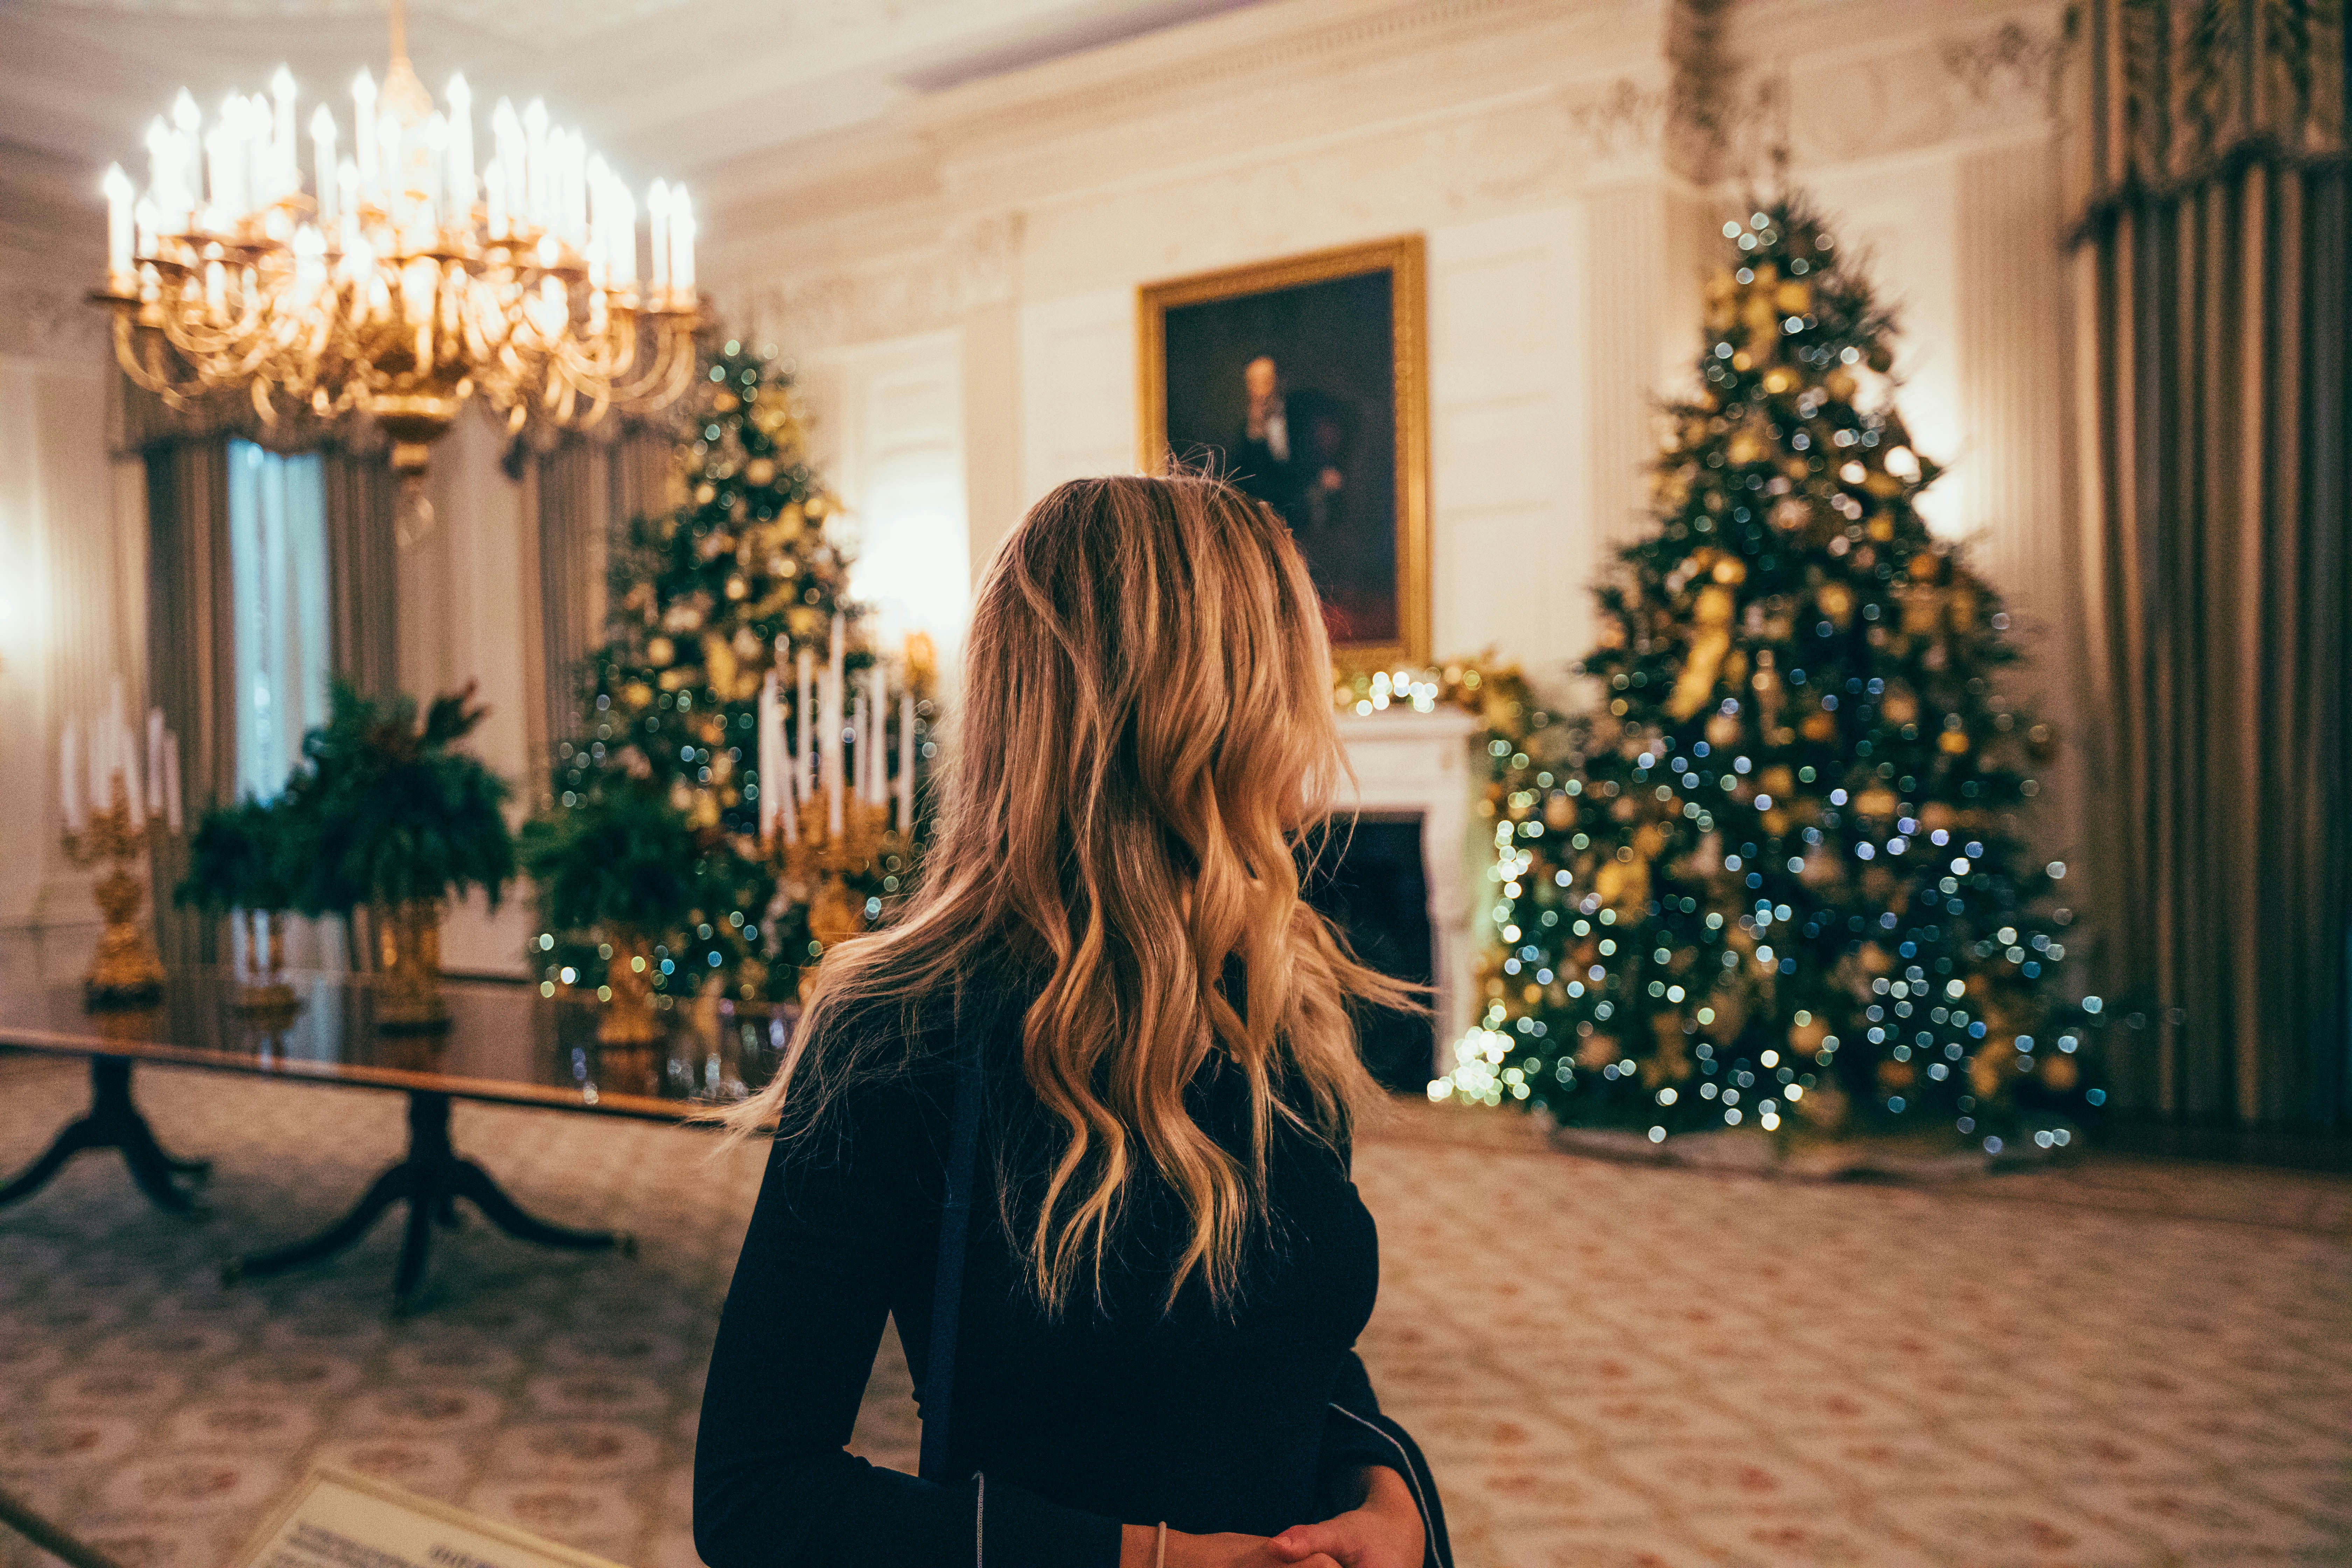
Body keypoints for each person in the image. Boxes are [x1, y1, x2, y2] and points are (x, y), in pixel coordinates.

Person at [695, 474, 1449, 1568]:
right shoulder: (902, 1031)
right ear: (1201, 711)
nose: (1312, 730)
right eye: (1291, 679)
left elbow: (1288, 1336)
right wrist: (1151, 1561)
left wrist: (1385, 1491)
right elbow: (756, 1498)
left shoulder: (1278, 995)